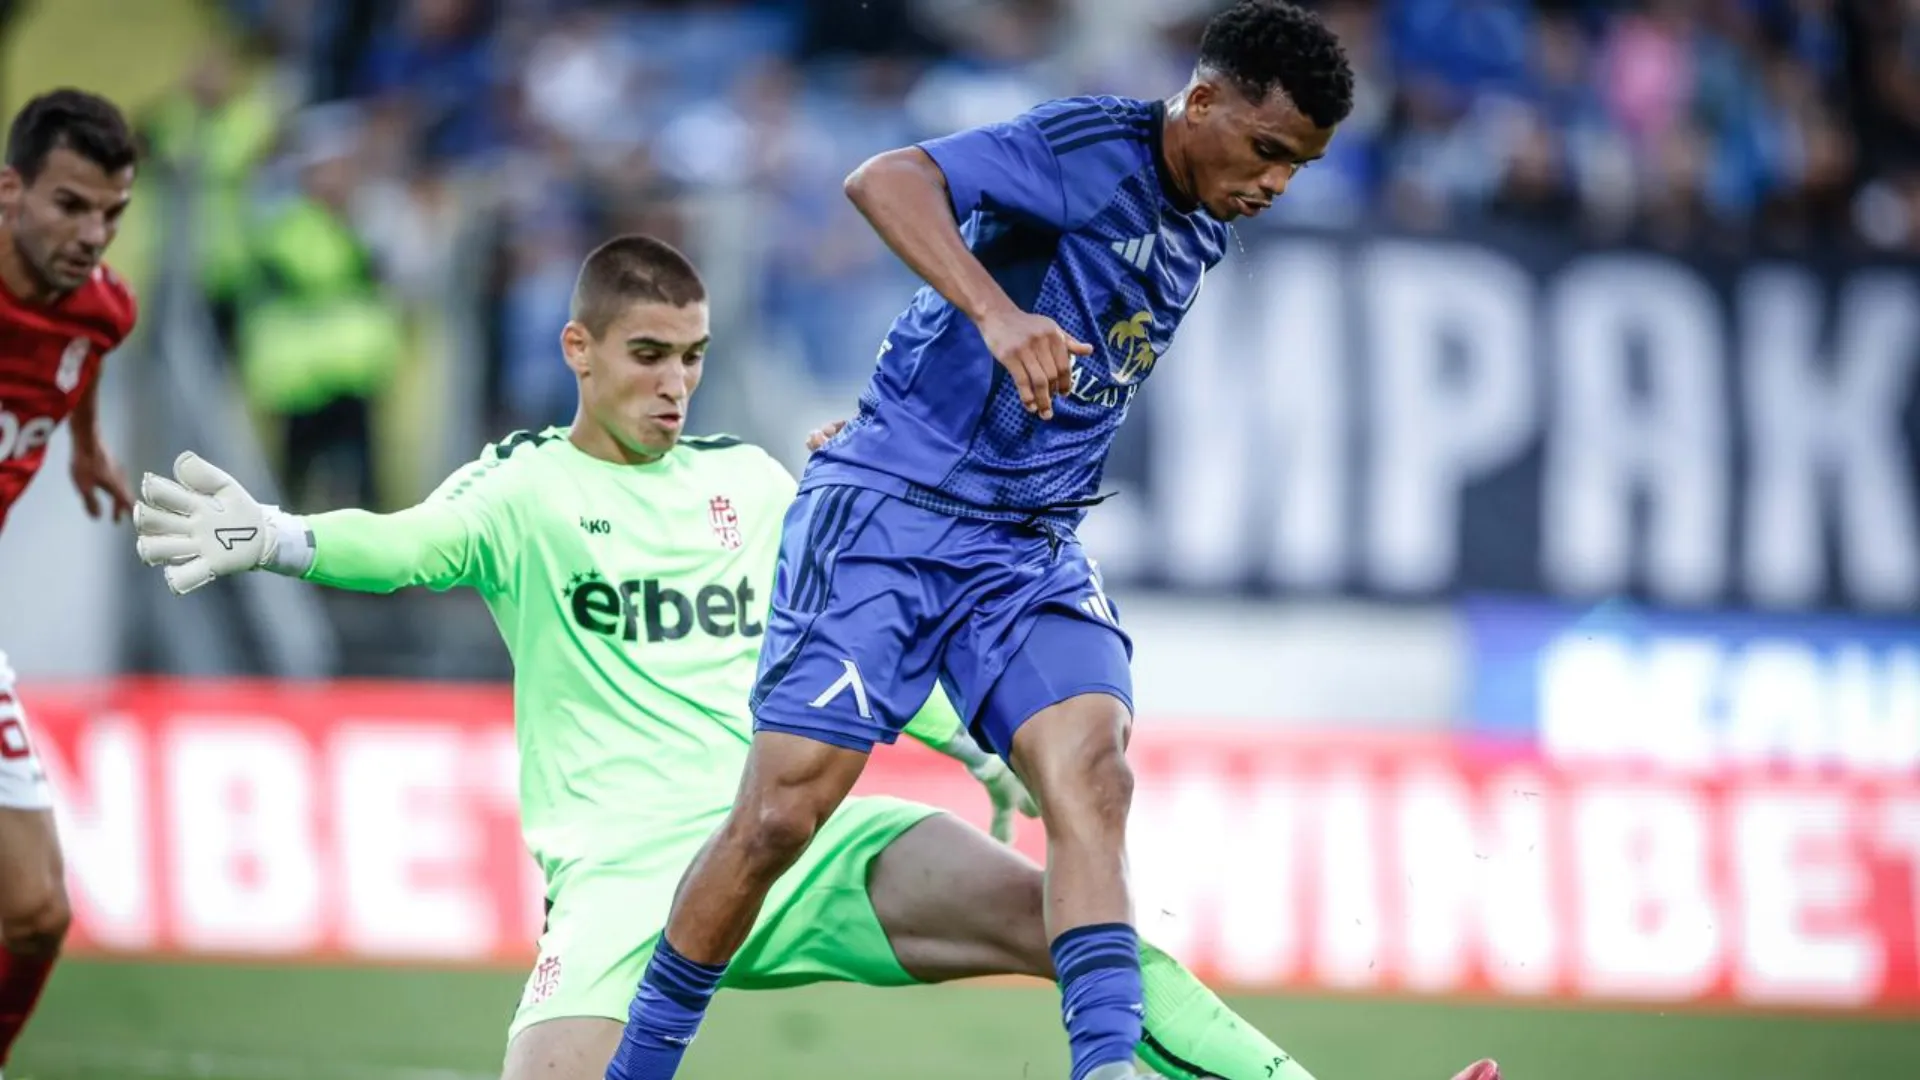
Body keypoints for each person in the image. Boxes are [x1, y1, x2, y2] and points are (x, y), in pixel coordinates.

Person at [131, 236, 1492, 1080]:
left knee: (1077, 927)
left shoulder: (760, 483)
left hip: (805, 840)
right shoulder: (522, 493)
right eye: (649, 357)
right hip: (623, 883)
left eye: (694, 357)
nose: (676, 383)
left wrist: (972, 745)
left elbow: (865, 629)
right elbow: (402, 544)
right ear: (579, 352)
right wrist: (279, 537)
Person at [603, 5, 1463, 1080]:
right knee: (780, 815)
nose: (1275, 184)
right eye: (1268, 150)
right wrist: (992, 317)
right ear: (1201, 103)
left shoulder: (1203, 212)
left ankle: (1102, 1070)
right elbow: (886, 179)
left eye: (1300, 166)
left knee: (1094, 776)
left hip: (1025, 547)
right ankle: (637, 1065)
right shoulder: (1090, 149)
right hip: (893, 521)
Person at [0, 87, 139, 1075]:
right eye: (69, 205)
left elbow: (78, 359)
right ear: (9, 191)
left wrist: (86, 449)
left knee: (39, 914)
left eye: (111, 214)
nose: (93, 235)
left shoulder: (104, 314)